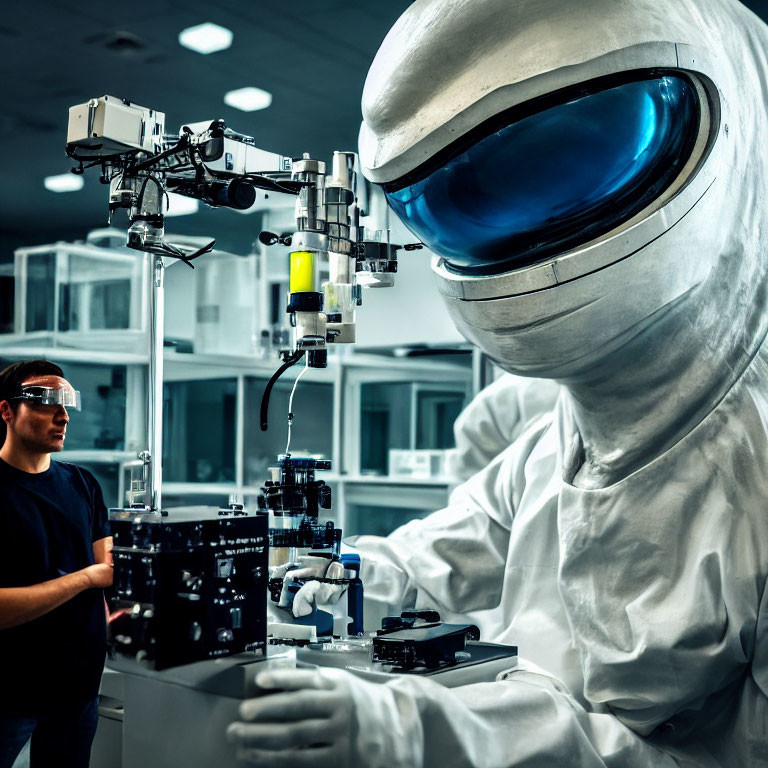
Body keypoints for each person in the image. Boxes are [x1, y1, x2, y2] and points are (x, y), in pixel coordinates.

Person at [228, 0, 768, 765]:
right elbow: (439, 557)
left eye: (568, 167)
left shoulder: (753, 478)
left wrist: (423, 733)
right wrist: (339, 572)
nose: (520, 225)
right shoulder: (561, 437)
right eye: (464, 198)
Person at [0, 360, 113, 768]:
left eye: (67, 402)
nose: (62, 414)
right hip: (10, 693)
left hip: (77, 690)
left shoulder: (83, 485)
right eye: (46, 401)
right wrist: (85, 579)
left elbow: (110, 570)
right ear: (6, 411)